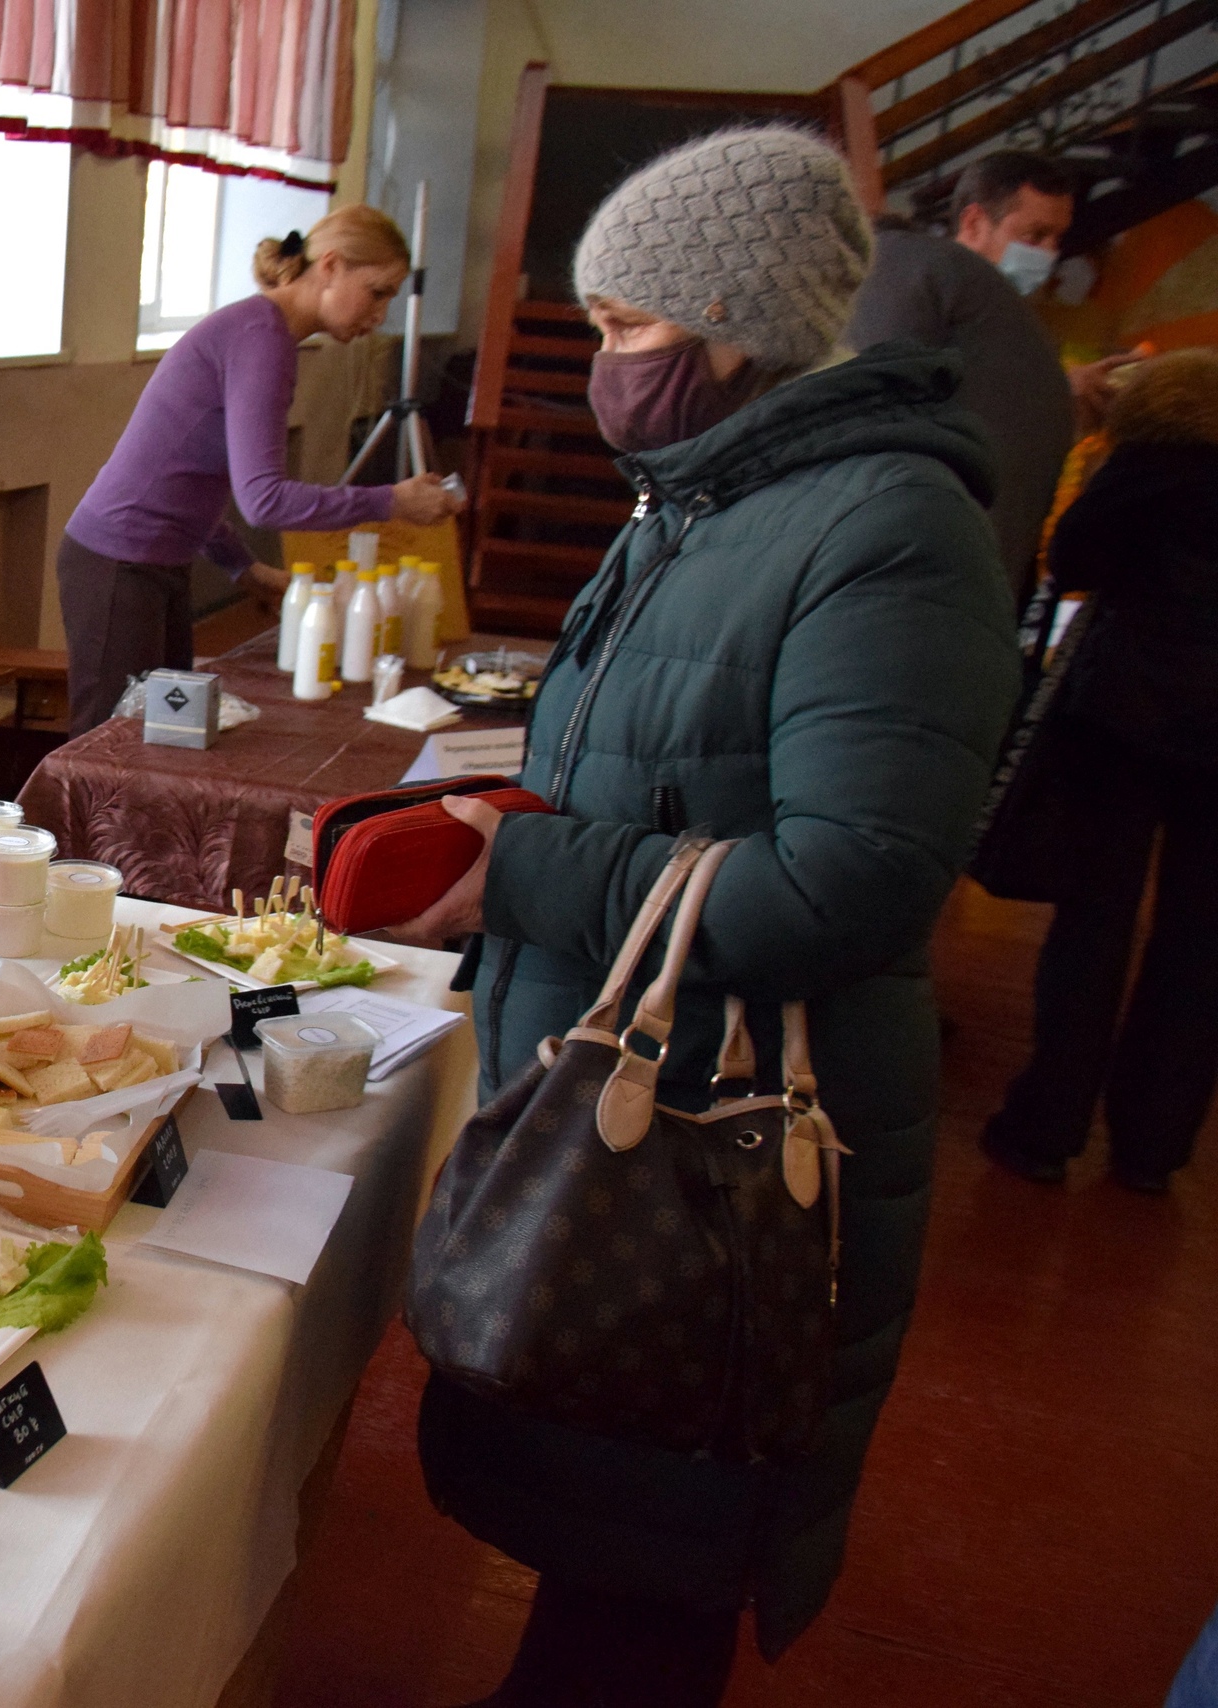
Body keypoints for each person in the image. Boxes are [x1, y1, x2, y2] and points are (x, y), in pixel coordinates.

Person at [385, 128, 1021, 1704]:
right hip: (634, 1108)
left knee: (655, 1580)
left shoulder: (885, 527)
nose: (603, 366)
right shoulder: (711, 498)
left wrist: (527, 870)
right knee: (609, 1562)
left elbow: (856, 877)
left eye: (624, 330)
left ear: (736, 326)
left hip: (723, 1162)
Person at [55, 202, 466, 733]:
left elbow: (193, 476)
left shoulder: (265, 333)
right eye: (378, 291)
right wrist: (392, 502)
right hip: (118, 563)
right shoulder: (262, 338)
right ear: (332, 266)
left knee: (167, 739)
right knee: (109, 750)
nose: (381, 313)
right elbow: (264, 500)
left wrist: (242, 569)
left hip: (153, 564)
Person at [979, 348, 1218, 1195]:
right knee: (1200, 942)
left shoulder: (1149, 463)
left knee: (1094, 922)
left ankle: (1046, 1124)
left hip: (1126, 716)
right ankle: (1155, 1144)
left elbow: (1074, 560)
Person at [845, 149, 1141, 597]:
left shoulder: (1015, 320)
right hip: (911, 557)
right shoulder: (919, 278)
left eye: (1056, 239)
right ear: (974, 223)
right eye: (1034, 235)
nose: (1048, 254)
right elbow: (893, 401)